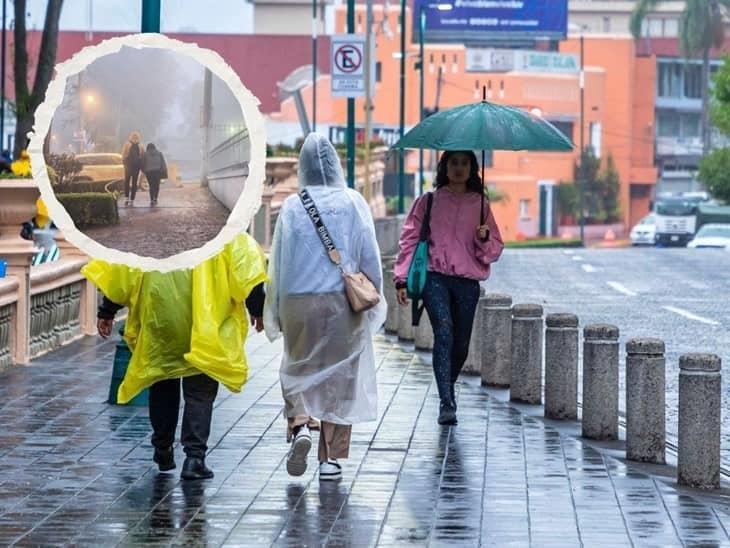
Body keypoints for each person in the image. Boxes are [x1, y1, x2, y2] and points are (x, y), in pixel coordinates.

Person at [86, 232, 267, 480]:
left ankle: (162, 447)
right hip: (205, 320)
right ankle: (194, 458)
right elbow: (246, 266)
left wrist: (108, 309)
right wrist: (257, 309)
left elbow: (124, 270)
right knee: (200, 391)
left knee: (162, 377)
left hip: (161, 314)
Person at [263, 133, 385, 482]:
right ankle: (329, 459)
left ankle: (301, 423)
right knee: (340, 376)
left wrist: (277, 309)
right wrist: (372, 294)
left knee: (299, 366)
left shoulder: (291, 206)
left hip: (299, 300)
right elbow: (368, 256)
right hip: (340, 302)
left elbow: (279, 263)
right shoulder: (353, 202)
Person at [394, 150, 504, 426]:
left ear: (472, 168)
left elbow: (493, 251)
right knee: (444, 331)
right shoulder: (428, 201)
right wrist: (401, 278)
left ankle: (447, 383)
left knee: (461, 343)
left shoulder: (480, 205)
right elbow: (409, 239)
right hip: (434, 278)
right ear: (444, 167)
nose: (458, 168)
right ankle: (447, 400)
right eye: (453, 163)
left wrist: (484, 237)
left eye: (464, 163)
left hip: (467, 282)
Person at [121, 131, 144, 206]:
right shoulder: (141, 145)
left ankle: (126, 197)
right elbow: (143, 156)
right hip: (136, 167)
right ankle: (132, 199)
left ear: (130, 136)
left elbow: (123, 155)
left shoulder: (127, 144)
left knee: (127, 182)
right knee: (134, 183)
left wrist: (124, 163)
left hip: (128, 167)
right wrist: (141, 166)